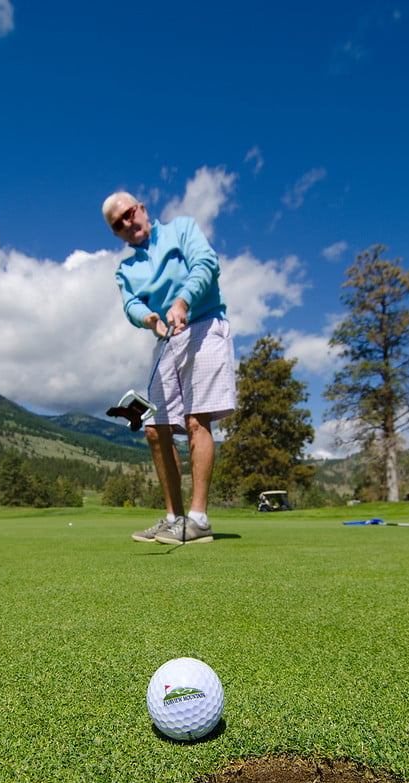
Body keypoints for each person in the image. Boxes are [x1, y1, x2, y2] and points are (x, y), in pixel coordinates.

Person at [102, 191, 236, 544]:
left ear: (142, 209)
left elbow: (206, 263)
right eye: (119, 224)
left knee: (196, 420)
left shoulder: (181, 229)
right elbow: (130, 303)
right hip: (166, 340)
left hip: (204, 324)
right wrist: (148, 318)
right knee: (154, 430)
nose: (127, 224)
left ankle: (199, 518)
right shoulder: (126, 269)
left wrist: (183, 300)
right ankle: (174, 518)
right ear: (116, 233)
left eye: (129, 214)